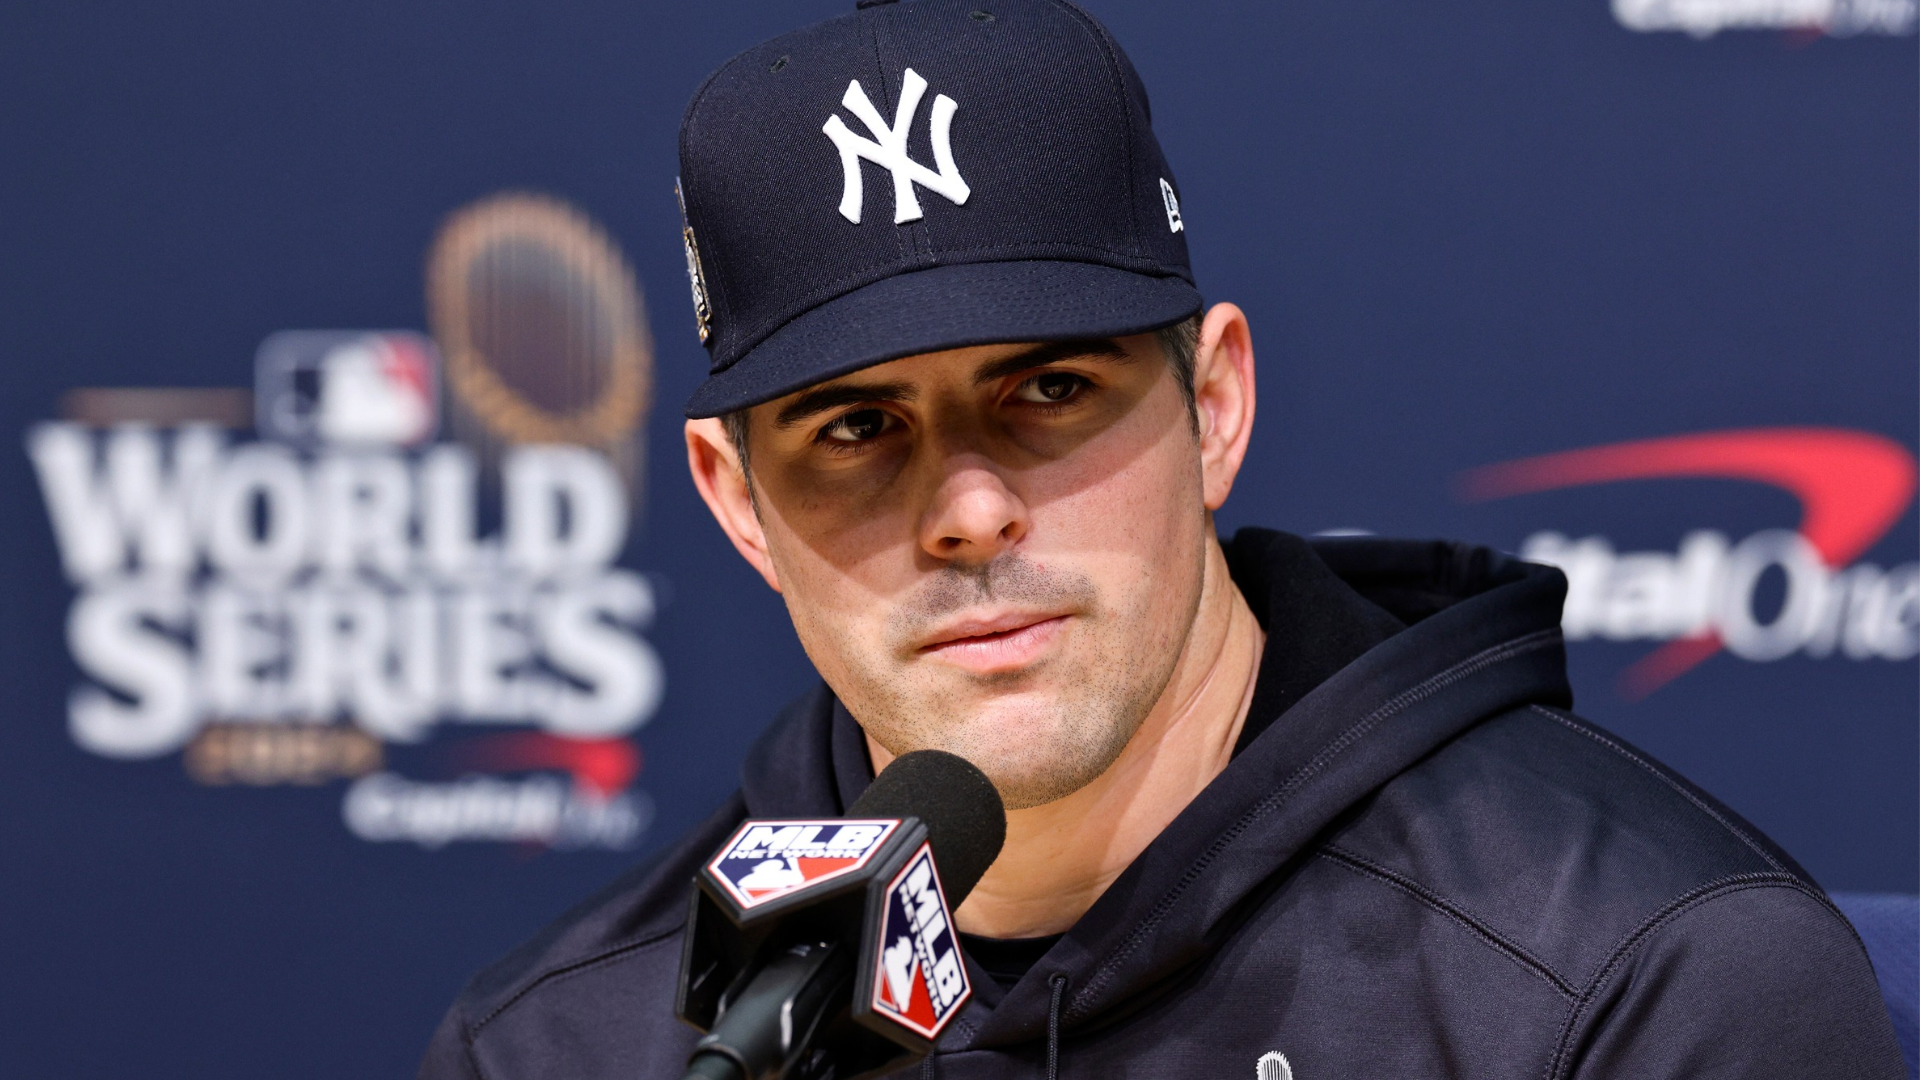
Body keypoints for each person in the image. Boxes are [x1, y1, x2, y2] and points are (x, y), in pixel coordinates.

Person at [418, 1, 1907, 1076]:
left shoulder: (1632, 977)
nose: (970, 511)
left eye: (1050, 390)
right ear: (736, 497)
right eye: (858, 427)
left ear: (1214, 404)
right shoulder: (567, 1043)